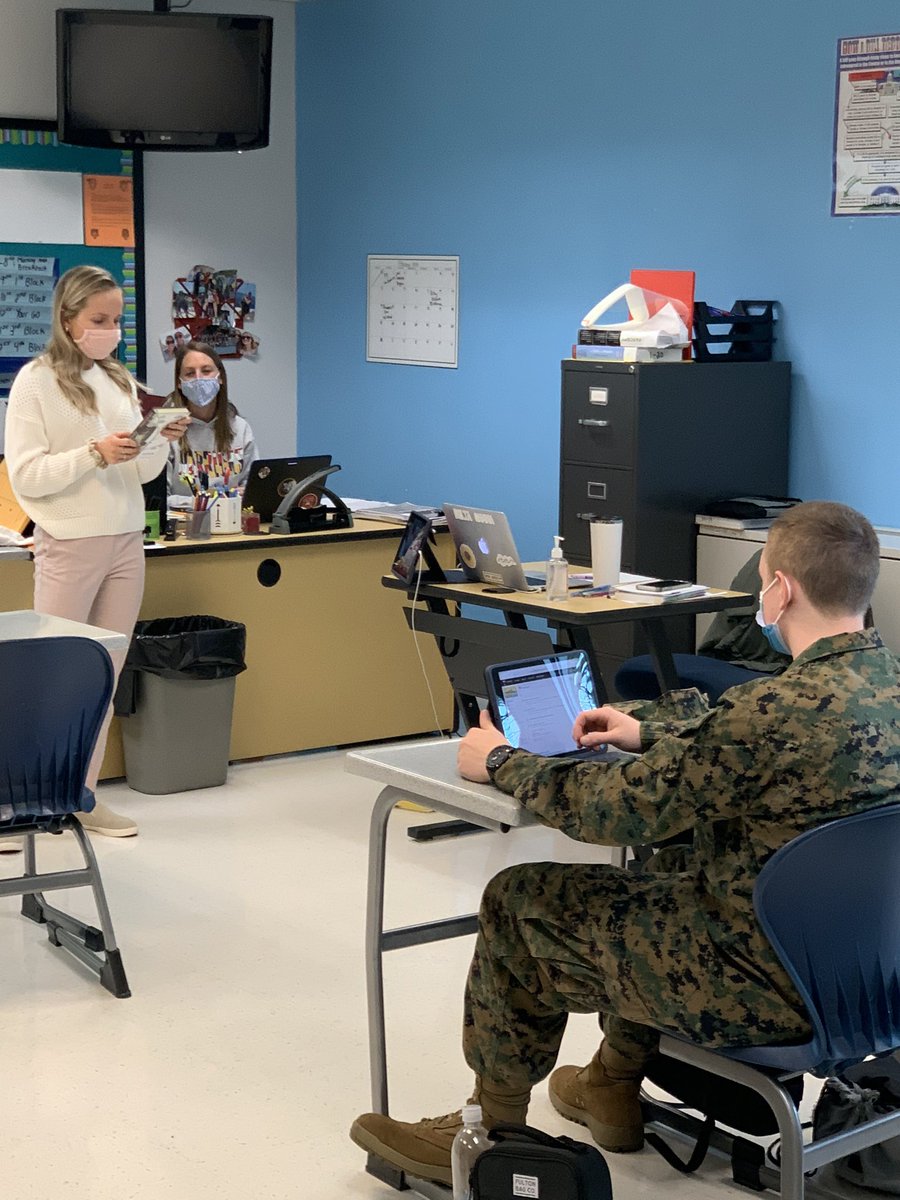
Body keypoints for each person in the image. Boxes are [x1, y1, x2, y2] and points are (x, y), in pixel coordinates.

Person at [350, 501, 900, 1185]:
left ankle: (484, 1135)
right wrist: (648, 732)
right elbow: (747, 750)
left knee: (519, 899)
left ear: (781, 589)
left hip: (759, 989)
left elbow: (614, 812)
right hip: (870, 984)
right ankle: (610, 1086)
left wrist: (501, 761)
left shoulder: (766, 715)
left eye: (763, 580)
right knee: (668, 873)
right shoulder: (880, 687)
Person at [3, 265, 190, 847]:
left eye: (117, 319)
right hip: (69, 542)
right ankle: (15, 801)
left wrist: (159, 441)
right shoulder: (36, 382)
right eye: (99, 319)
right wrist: (93, 453)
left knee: (102, 678)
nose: (111, 330)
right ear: (68, 319)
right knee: (48, 679)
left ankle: (78, 796)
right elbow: (27, 475)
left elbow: (139, 471)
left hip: (125, 541)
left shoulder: (118, 380)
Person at [166, 341, 258, 498]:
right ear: (180, 383)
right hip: (183, 514)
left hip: (231, 513)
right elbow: (159, 498)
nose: (198, 378)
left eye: (206, 371)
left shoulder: (240, 428)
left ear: (220, 377)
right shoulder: (169, 431)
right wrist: (212, 500)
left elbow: (253, 488)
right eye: (190, 373)